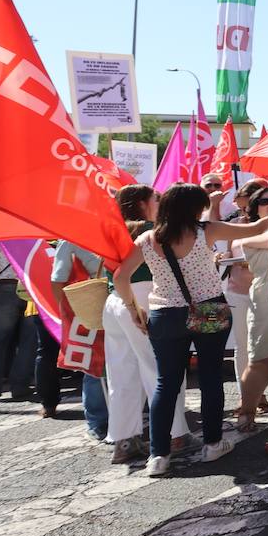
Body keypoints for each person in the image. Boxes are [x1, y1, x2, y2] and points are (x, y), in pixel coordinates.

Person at [111, 184, 268, 477]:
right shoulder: (205, 231)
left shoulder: (148, 238)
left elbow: (121, 277)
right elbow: (257, 227)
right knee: (211, 377)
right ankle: (212, 444)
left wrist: (134, 309)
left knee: (166, 383)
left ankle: (158, 455)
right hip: (208, 308)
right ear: (193, 209)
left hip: (165, 314)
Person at [100, 186, 191, 463]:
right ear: (142, 203)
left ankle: (124, 440)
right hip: (143, 294)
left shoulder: (111, 230)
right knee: (163, 369)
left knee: (121, 373)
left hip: (115, 299)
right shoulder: (152, 230)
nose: (160, 202)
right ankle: (176, 434)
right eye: (156, 199)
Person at [229, 184, 268, 431]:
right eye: (264, 201)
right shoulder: (251, 236)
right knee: (261, 359)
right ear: (255, 209)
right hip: (263, 300)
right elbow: (248, 242)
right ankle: (247, 411)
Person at [49, 240, 110, 441]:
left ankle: (119, 418)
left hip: (113, 302)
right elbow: (57, 280)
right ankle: (97, 422)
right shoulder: (69, 240)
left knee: (116, 362)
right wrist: (70, 311)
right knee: (94, 366)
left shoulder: (110, 232)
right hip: (88, 305)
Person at [0, 240, 38, 404]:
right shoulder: (36, 238)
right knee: (29, 340)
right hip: (32, 288)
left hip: (6, 289)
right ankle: (21, 385)